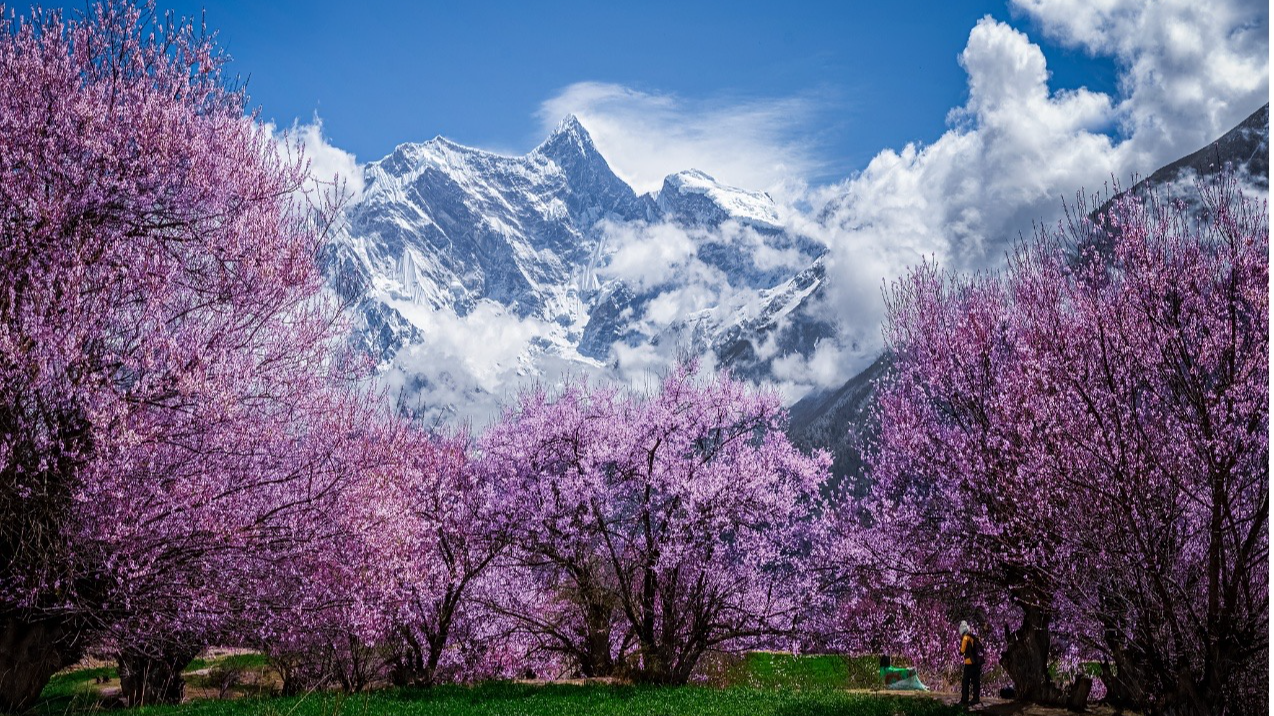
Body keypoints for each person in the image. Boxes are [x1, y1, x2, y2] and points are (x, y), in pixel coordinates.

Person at [958, 620, 983, 706]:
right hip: (976, 663)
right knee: (976, 681)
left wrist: (960, 652)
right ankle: (976, 698)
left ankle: (964, 699)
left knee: (966, 682)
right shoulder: (973, 637)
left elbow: (962, 650)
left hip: (969, 663)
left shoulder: (965, 637)